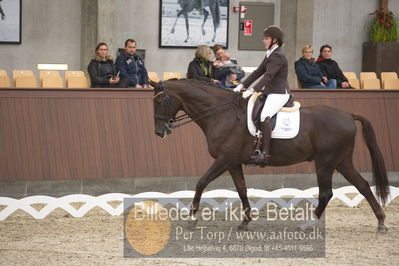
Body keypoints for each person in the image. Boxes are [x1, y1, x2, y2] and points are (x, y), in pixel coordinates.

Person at [234, 26, 290, 164]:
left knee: (265, 115)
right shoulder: (270, 53)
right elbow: (258, 72)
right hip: (270, 91)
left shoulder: (278, 55)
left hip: (279, 93)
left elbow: (268, 76)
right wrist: (242, 85)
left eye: (266, 38)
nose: (263, 41)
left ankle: (265, 153)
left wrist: (253, 90)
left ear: (274, 40)